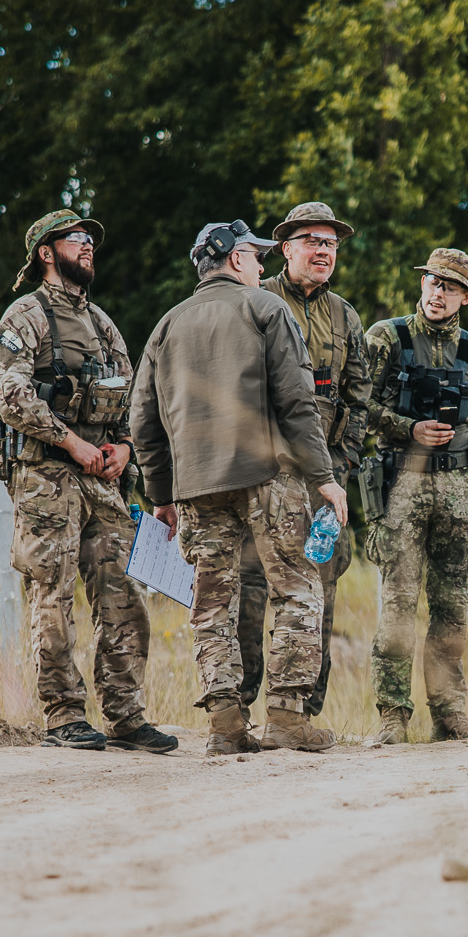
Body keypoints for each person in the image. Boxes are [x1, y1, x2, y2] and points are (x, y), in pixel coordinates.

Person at [129, 220, 350, 754]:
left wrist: (161, 495)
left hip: (196, 487)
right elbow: (297, 403)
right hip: (266, 476)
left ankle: (225, 726)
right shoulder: (266, 309)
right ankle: (287, 718)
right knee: (298, 587)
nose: (261, 266)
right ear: (231, 258)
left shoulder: (166, 325)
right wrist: (325, 478)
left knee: (210, 602)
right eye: (255, 257)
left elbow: (143, 421)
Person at [0, 211, 176, 754]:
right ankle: (64, 714)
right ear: (47, 252)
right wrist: (72, 443)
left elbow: (134, 400)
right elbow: (8, 395)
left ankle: (125, 714)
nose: (89, 246)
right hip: (46, 475)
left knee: (124, 593)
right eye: (77, 239)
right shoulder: (25, 316)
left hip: (102, 481)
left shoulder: (103, 324)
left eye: (92, 239)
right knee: (53, 593)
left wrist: (125, 449)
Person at [233, 201, 372, 720]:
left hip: (321, 481)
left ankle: (301, 713)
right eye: (313, 240)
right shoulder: (255, 299)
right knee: (249, 584)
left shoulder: (346, 316)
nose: (324, 250)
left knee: (321, 584)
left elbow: (360, 398)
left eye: (331, 243)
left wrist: (340, 466)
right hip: (262, 475)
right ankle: (239, 706)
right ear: (285, 248)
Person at [361, 248, 468, 746]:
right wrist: (408, 427)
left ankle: (450, 713)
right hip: (401, 485)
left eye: (449, 287)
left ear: (465, 297)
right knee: (397, 607)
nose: (437, 293)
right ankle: (392, 716)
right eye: (432, 283)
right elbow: (359, 405)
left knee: (452, 609)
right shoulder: (387, 337)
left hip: (458, 491)